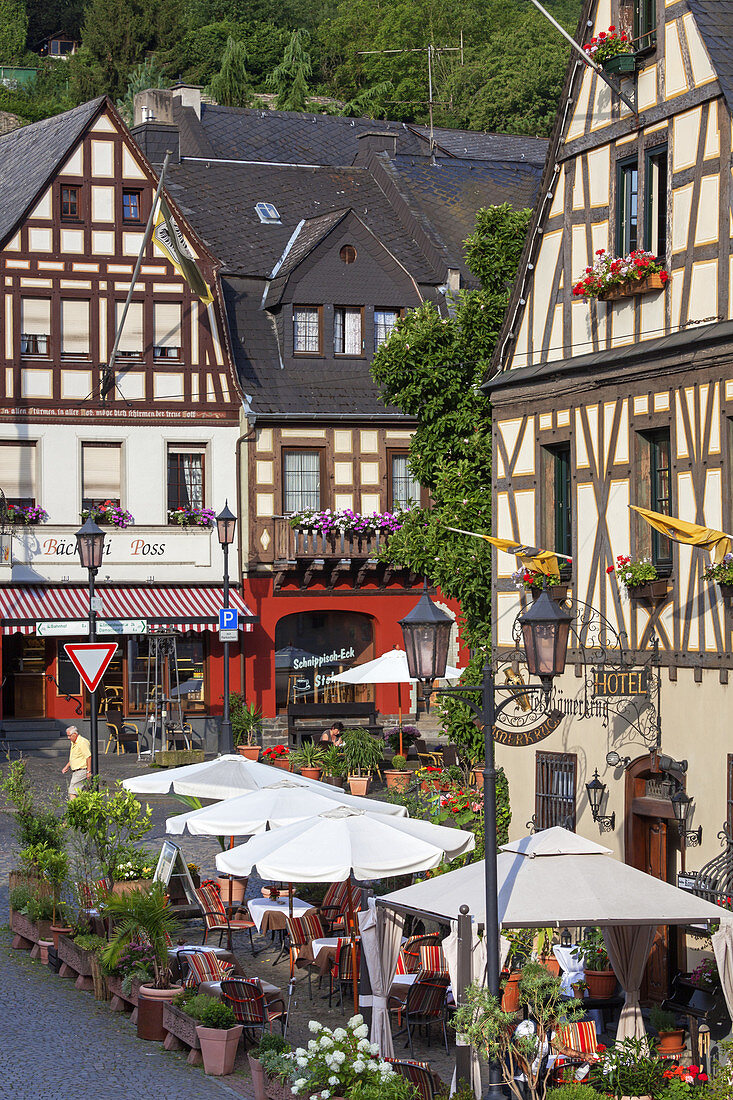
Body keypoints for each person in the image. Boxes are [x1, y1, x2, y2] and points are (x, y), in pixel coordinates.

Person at [61, 725, 92, 799]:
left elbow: (88, 757)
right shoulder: (74, 742)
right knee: (83, 792)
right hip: (76, 771)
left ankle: (74, 809)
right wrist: (67, 766)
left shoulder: (82, 742)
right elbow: (74, 757)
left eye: (69, 736)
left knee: (72, 791)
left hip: (81, 770)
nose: (68, 738)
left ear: (74, 734)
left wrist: (88, 771)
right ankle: (83, 808)